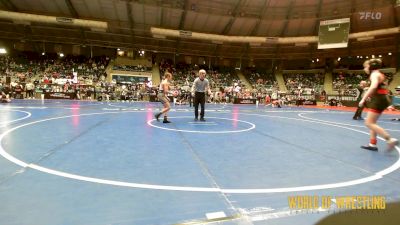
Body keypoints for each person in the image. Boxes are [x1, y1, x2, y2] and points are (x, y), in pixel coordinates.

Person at [359, 59, 398, 151]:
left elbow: (373, 86)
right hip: (382, 98)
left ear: (371, 66)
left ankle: (389, 139)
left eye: (366, 67)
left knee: (368, 123)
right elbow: (377, 87)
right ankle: (372, 144)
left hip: (379, 100)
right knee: (372, 123)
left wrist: (364, 99)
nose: (365, 69)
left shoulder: (374, 74)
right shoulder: (379, 73)